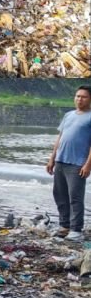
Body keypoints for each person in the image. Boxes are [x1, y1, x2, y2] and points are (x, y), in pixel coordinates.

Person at [46, 85, 91, 241]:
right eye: (77, 96)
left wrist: (87, 164)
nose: (79, 99)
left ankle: (76, 230)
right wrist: (52, 158)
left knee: (75, 197)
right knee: (59, 194)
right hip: (61, 160)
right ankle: (64, 226)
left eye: (83, 97)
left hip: (77, 163)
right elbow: (60, 138)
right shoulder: (69, 115)